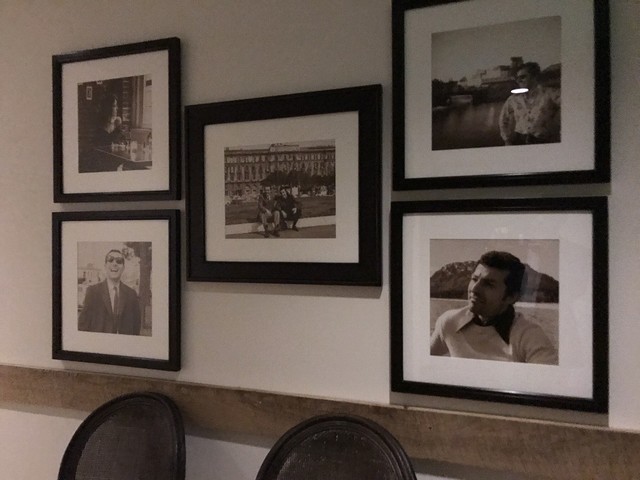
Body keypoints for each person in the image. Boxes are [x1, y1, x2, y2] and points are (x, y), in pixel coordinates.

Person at [430, 250, 557, 365]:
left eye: (489, 284)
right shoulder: (449, 322)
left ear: (511, 297)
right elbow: (423, 366)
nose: (474, 289)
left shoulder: (530, 337)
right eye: (474, 279)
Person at [78, 249, 142, 335]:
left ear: (123, 268)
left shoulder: (131, 295)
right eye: (110, 260)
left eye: (119, 261)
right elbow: (83, 326)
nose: (114, 263)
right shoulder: (93, 292)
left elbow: (136, 327)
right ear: (105, 266)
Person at [499, 62, 561, 145]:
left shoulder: (550, 93)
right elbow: (503, 119)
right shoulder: (513, 99)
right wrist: (507, 139)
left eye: (523, 77)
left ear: (534, 77)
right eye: (517, 78)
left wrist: (557, 125)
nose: (518, 80)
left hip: (544, 141)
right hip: (519, 141)